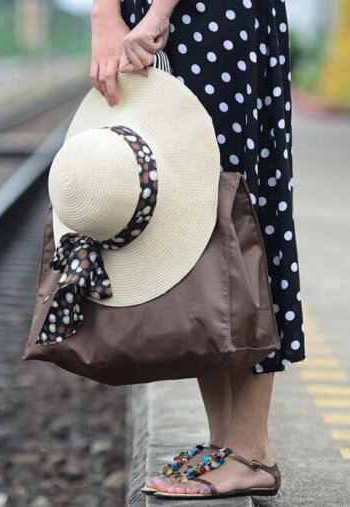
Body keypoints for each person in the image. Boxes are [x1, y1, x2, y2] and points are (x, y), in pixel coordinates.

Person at [89, 0, 305, 498]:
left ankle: (252, 450)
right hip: (169, 15)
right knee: (191, 216)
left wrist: (156, 12)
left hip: (212, 14)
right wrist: (105, 14)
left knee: (234, 211)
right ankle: (224, 438)